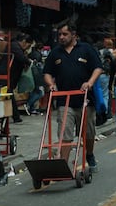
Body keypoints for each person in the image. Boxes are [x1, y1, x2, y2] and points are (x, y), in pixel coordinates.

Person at [43, 22, 103, 173]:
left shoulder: (86, 49)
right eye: (59, 35)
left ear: (74, 35)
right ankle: (63, 165)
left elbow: (98, 68)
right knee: (65, 133)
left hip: (85, 100)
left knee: (88, 133)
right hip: (64, 100)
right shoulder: (55, 53)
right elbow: (47, 72)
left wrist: (89, 83)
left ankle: (89, 155)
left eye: (65, 34)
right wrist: (51, 84)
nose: (61, 37)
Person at [8, 32, 34, 123]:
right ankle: (16, 117)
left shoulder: (16, 47)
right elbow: (21, 58)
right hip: (8, 75)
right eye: (28, 45)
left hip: (11, 76)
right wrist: (28, 62)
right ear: (23, 41)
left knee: (10, 95)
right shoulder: (14, 46)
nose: (28, 48)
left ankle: (15, 116)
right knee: (9, 95)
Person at [98, 38, 116, 121]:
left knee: (100, 93)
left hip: (98, 74)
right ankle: (105, 112)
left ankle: (100, 111)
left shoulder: (100, 52)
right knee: (106, 94)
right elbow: (113, 62)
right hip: (106, 74)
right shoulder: (111, 52)